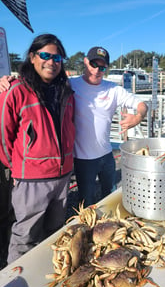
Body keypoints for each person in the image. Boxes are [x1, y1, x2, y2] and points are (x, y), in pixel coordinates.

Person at [0, 34, 75, 264]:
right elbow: (3, 137)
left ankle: (46, 276)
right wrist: (18, 168)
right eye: (45, 55)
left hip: (62, 178)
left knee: (55, 233)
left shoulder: (67, 92)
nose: (51, 62)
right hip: (32, 180)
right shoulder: (15, 90)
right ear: (32, 57)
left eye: (57, 57)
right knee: (25, 237)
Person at [69, 46, 148, 207]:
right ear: (85, 62)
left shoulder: (113, 89)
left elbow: (142, 105)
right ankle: (88, 230)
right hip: (83, 159)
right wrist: (5, 80)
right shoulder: (71, 84)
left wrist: (138, 117)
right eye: (93, 64)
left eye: (102, 67)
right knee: (86, 202)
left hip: (106, 155)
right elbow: (41, 82)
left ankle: (112, 227)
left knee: (111, 197)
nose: (97, 70)